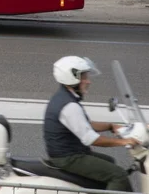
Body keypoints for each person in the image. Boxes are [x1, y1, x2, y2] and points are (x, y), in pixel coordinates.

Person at [43, 56, 140, 191]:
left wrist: (110, 126)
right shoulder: (69, 106)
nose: (88, 81)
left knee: (109, 162)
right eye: (84, 77)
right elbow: (91, 139)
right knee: (119, 175)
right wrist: (124, 142)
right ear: (71, 78)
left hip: (68, 153)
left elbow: (86, 125)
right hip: (68, 158)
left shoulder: (64, 97)